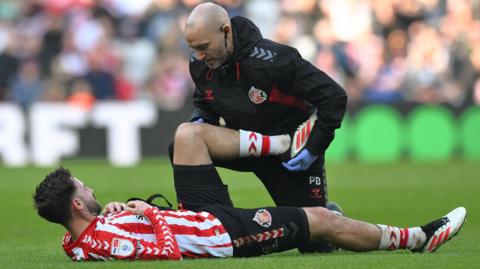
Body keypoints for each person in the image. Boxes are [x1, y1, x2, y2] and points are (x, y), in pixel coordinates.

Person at [33, 166, 466, 262]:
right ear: (75, 204)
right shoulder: (99, 240)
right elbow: (166, 254)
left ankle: (318, 235)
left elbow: (77, 244)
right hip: (223, 235)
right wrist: (149, 213)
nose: (90, 189)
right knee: (322, 217)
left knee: (316, 218)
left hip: (211, 223)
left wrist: (111, 214)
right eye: (83, 190)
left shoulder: (80, 240)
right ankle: (419, 238)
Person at [171, 2, 347, 215]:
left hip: (288, 155)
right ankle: (218, 219)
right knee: (182, 145)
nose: (198, 56)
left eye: (203, 47)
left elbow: (333, 97)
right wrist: (201, 118)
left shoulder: (275, 60)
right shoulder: (200, 64)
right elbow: (204, 101)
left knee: (317, 241)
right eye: (193, 49)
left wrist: (313, 149)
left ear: (226, 31)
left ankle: (332, 215)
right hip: (246, 146)